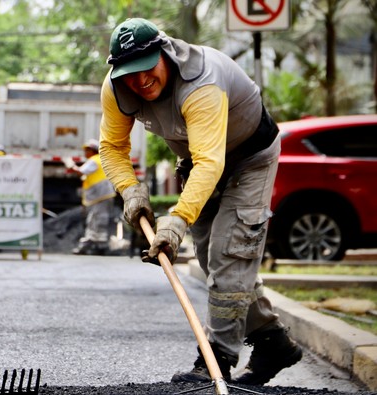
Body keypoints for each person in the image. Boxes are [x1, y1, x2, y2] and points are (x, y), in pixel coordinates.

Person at [98, 18, 303, 385]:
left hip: (250, 157)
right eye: (130, 73)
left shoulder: (201, 82)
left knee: (230, 254)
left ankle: (216, 361)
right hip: (198, 159)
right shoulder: (116, 89)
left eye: (147, 68)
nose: (140, 81)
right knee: (215, 260)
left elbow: (213, 161)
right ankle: (273, 342)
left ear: (165, 53)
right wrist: (131, 191)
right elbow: (112, 148)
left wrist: (176, 222)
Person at [64, 139, 117, 255]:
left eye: (86, 150)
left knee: (94, 219)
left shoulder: (93, 160)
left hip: (100, 196)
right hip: (104, 195)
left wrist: (71, 165)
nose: (84, 153)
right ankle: (100, 245)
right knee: (100, 219)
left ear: (92, 150)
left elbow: (80, 172)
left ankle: (89, 244)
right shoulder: (100, 160)